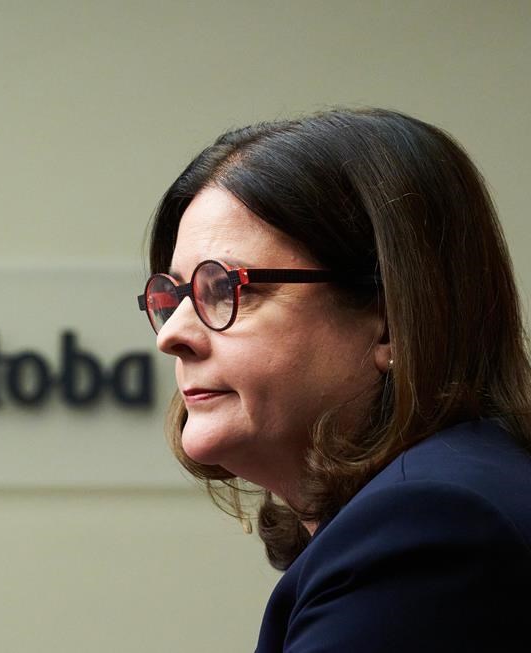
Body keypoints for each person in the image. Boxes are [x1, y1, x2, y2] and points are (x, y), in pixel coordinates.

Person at [138, 108, 531, 651]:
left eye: (226, 287)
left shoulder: (430, 527)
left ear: (391, 317)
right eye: (174, 295)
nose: (172, 335)